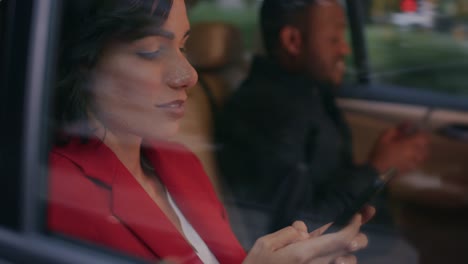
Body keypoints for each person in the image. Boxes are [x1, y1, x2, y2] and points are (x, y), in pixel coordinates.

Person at [47, 0, 375, 263]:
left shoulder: (180, 163)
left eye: (184, 47)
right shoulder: (57, 192)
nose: (189, 74)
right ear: (84, 62)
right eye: (150, 50)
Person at [216, 0, 429, 234]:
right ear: (293, 41)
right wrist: (376, 167)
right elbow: (293, 230)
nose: (345, 49)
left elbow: (326, 188)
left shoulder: (309, 93)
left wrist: (379, 163)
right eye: (334, 39)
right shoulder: (267, 113)